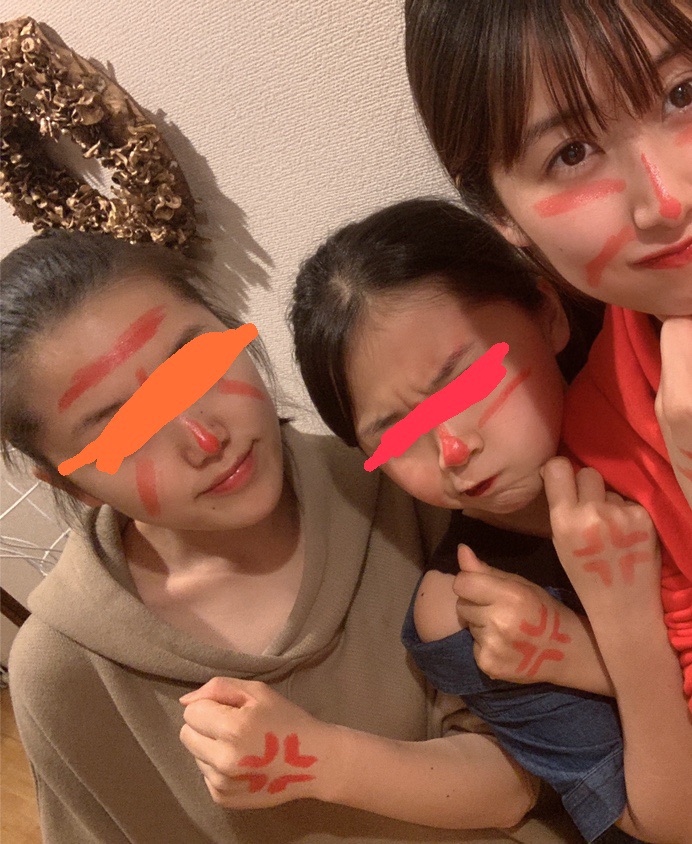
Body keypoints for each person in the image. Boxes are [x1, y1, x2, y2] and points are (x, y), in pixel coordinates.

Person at [3, 228, 587, 844]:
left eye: (196, 365)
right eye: (126, 430)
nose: (206, 439)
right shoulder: (65, 673)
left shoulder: (416, 484)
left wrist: (319, 760)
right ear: (72, 485)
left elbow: (545, 768)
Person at [289, 197, 689, 843]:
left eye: (467, 382)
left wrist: (583, 654)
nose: (453, 448)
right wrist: (624, 625)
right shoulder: (468, 608)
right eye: (398, 435)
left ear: (548, 314)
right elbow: (669, 822)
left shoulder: (664, 392)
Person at [403, 0, 692, 719]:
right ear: (501, 214)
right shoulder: (605, 442)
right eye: (572, 153)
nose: (668, 198)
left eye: (682, 92)